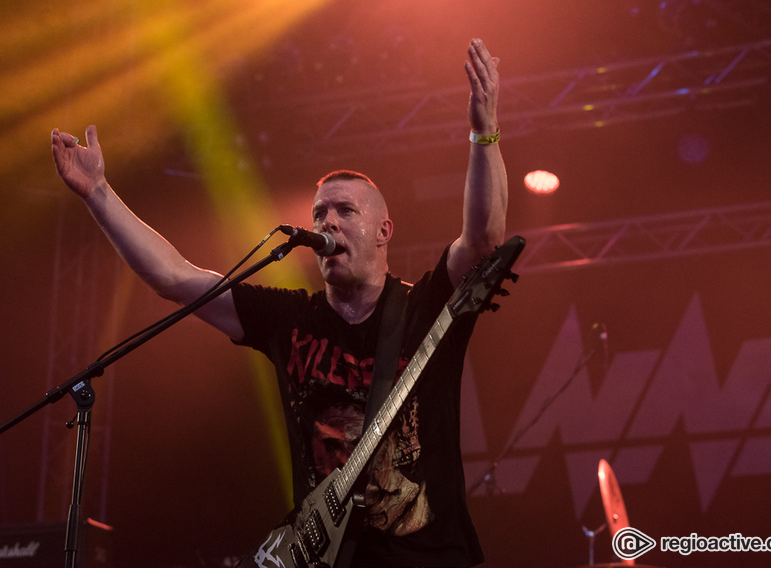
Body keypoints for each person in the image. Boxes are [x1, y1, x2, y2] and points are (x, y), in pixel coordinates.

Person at [51, 38, 508, 568]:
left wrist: (485, 129)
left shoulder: (427, 306)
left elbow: (483, 242)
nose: (326, 223)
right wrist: (99, 194)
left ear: (384, 230)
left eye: (344, 212)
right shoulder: (292, 319)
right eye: (319, 214)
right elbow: (175, 278)